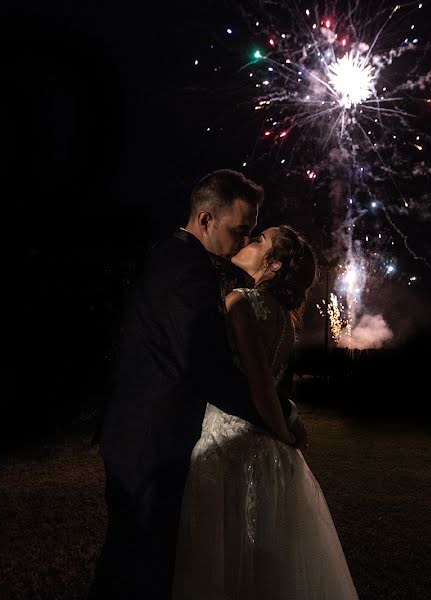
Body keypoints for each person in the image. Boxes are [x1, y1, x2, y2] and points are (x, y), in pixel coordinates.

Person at [88, 170, 301, 599]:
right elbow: (207, 368)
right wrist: (277, 416)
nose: (245, 242)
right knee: (139, 564)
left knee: (133, 558)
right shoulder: (188, 269)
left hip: (141, 432)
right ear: (206, 220)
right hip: (150, 441)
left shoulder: (173, 256)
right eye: (240, 231)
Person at [172, 225, 359, 600]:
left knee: (224, 561)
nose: (250, 239)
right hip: (271, 453)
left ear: (272, 264)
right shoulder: (284, 319)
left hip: (230, 446)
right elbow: (274, 388)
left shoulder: (240, 300)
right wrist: (286, 425)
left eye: (260, 241)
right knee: (268, 566)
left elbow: (258, 387)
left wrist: (286, 429)